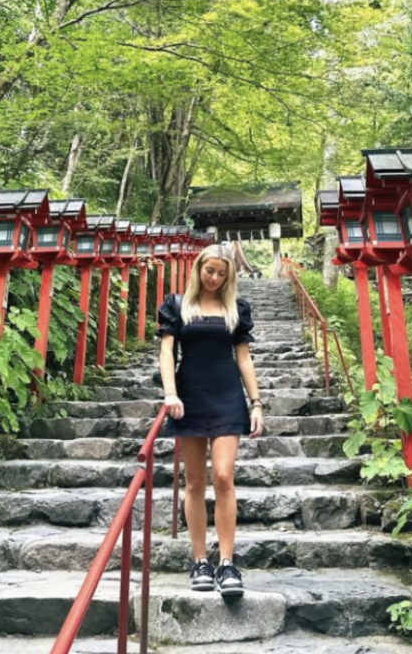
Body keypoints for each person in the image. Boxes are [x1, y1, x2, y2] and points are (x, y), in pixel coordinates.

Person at [157, 243, 264, 597]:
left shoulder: (235, 308)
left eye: (221, 273)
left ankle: (228, 562)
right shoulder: (178, 305)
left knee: (223, 476)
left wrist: (257, 403)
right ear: (198, 268)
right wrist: (170, 393)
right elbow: (167, 351)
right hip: (189, 397)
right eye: (210, 271)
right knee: (193, 482)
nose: (215, 278)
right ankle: (200, 560)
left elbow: (244, 358)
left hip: (227, 397)